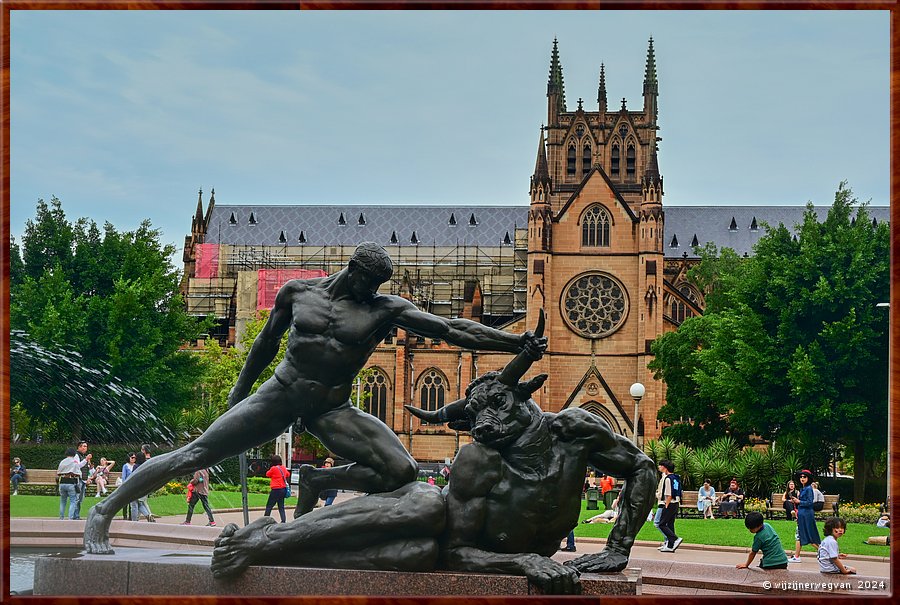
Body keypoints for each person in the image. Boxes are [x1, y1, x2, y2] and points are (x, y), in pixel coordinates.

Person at [85, 242, 547, 554]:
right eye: (369, 282)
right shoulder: (297, 293)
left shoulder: (385, 309)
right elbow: (266, 342)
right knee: (196, 453)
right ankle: (103, 511)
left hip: (332, 407)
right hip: (282, 393)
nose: (374, 291)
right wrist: (239, 391)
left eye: (379, 286)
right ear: (353, 270)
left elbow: (450, 329)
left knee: (402, 470)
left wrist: (515, 342)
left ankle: (318, 484)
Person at [789, 469, 821, 562]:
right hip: (803, 514)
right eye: (801, 477)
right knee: (802, 534)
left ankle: (798, 556)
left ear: (808, 478)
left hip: (806, 514)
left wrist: (799, 501)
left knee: (803, 534)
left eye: (804, 477)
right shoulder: (804, 488)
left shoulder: (808, 489)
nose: (802, 478)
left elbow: (810, 502)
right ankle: (822, 551)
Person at [656, 460, 682, 552]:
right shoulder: (676, 477)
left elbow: (668, 494)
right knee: (670, 524)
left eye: (660, 466)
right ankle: (670, 546)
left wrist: (666, 505)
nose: (659, 467)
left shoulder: (667, 479)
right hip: (676, 503)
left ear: (665, 468)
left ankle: (675, 539)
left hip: (669, 503)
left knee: (661, 524)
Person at [56, 447, 81, 520]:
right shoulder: (74, 462)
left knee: (63, 501)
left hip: (62, 482)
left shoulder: (62, 461)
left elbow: (58, 472)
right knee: (73, 501)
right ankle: (70, 518)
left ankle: (61, 517)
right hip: (71, 482)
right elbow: (78, 473)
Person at [264, 454, 290, 523]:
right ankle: (283, 520)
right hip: (283, 489)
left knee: (269, 506)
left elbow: (267, 474)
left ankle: (264, 521)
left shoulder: (273, 468)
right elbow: (288, 474)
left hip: (276, 489)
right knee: (281, 506)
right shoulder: (283, 468)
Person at [72, 440, 92, 520]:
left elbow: (86, 468)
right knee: (76, 498)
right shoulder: (76, 455)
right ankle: (74, 516)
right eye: (84, 446)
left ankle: (77, 515)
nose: (85, 448)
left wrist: (87, 478)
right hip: (78, 479)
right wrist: (86, 459)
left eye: (86, 446)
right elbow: (77, 466)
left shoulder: (83, 456)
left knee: (80, 499)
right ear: (79, 447)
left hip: (83, 480)